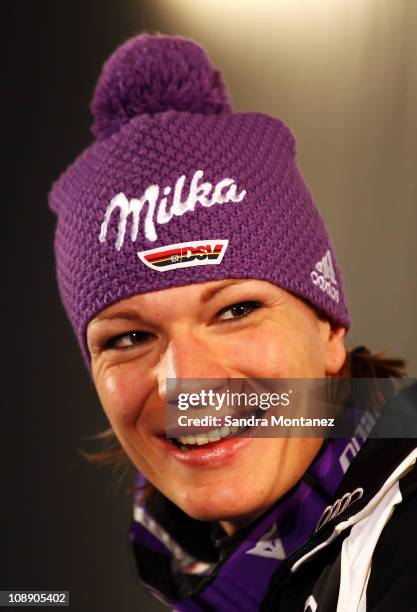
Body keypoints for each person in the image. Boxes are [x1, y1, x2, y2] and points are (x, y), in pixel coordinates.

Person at [49, 34, 416, 611]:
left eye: (235, 311)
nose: (186, 382)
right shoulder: (198, 567)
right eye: (130, 337)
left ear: (327, 326)